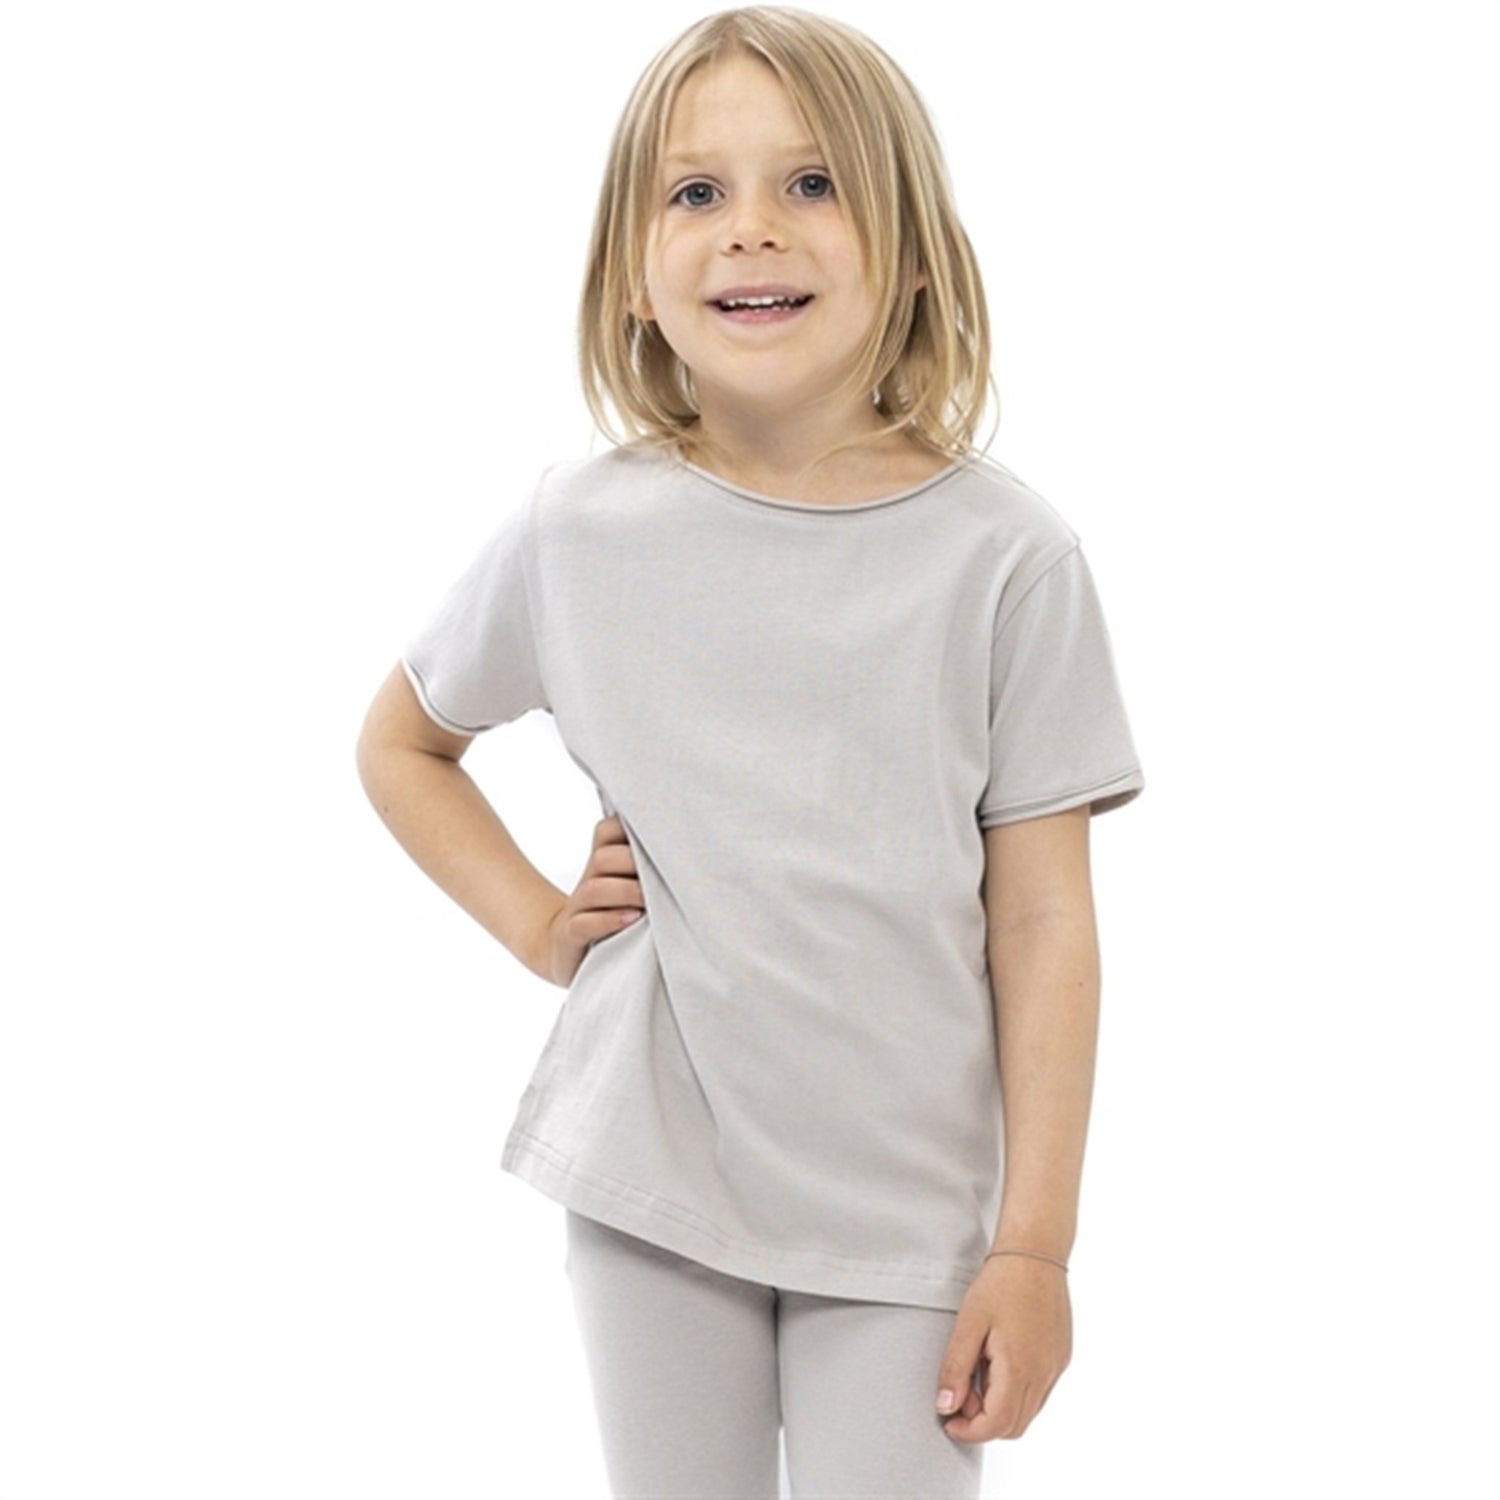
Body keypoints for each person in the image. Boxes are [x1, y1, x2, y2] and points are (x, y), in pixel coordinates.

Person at [355, 6, 1146, 1496]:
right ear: (633, 271)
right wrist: (538, 925)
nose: (751, 229)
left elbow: (1046, 917)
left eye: (813, 182)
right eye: (697, 191)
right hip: (652, 1167)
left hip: (909, 1199)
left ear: (915, 251)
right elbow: (404, 743)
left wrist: (1036, 1245)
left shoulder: (1008, 560)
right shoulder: (575, 529)